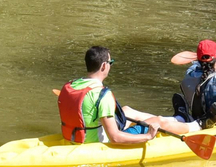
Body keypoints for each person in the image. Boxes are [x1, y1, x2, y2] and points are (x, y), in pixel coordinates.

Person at [58, 46, 198, 145]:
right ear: (104, 66)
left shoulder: (70, 86)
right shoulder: (102, 94)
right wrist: (148, 136)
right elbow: (115, 138)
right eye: (111, 62)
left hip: (77, 135)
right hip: (97, 142)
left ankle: (179, 118)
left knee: (126, 111)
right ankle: (197, 126)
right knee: (158, 121)